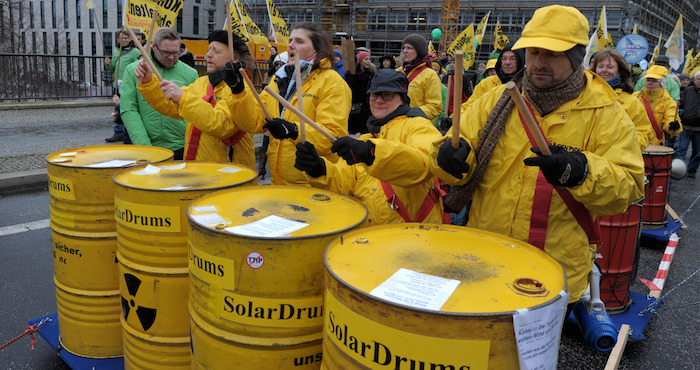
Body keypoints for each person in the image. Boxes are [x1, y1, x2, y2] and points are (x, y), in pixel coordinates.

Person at [432, 5, 644, 305]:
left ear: (575, 57)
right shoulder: (494, 99)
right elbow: (452, 150)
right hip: (488, 257)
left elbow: (629, 186)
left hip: (555, 269)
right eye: (533, 52)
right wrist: (450, 159)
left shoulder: (607, 112)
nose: (538, 63)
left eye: (552, 54)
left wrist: (582, 171)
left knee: (538, 350)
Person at [295, 69, 444, 225]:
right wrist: (319, 169)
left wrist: (371, 153)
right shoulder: (368, 137)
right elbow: (343, 183)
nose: (378, 100)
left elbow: (423, 164)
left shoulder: (418, 125)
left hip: (412, 237)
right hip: (369, 239)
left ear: (403, 99)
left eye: (387, 94)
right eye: (374, 95)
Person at [227, 21, 351, 186]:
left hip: (314, 185)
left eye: (299, 41)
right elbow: (253, 122)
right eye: (291, 40)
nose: (291, 45)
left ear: (317, 49)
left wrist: (293, 131)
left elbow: (332, 136)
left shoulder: (332, 82)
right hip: (279, 183)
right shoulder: (279, 80)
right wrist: (238, 91)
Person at [134, 30, 256, 167]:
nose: (208, 55)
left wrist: (183, 98)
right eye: (209, 49)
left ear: (234, 59)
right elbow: (170, 105)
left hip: (228, 173)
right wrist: (149, 82)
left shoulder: (241, 90)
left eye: (216, 51)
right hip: (198, 169)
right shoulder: (202, 83)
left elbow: (222, 125)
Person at [121, 28, 198, 160]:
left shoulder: (191, 73)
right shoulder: (133, 70)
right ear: (154, 47)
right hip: (147, 147)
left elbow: (195, 109)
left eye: (176, 52)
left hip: (181, 146)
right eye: (166, 53)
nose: (172, 57)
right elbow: (129, 109)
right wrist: (144, 146)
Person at [590, 48, 654, 151]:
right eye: (600, 66)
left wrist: (621, 148)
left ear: (619, 71)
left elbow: (643, 134)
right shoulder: (584, 95)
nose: (604, 70)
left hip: (615, 160)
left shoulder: (631, 102)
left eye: (610, 67)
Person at [465, 44, 525, 111]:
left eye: (512, 58)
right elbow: (470, 107)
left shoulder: (527, 85)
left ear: (520, 61)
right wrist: (455, 118)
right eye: (504, 58)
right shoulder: (486, 84)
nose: (507, 62)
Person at [105, 29, 140, 142]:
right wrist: (108, 65)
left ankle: (126, 131)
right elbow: (112, 69)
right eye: (121, 38)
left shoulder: (135, 51)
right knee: (117, 106)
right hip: (117, 83)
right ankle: (118, 132)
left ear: (130, 39)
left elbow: (138, 66)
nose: (123, 40)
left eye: (126, 38)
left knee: (126, 107)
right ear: (118, 39)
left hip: (129, 84)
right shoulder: (116, 51)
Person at [397, 34, 443, 121]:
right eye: (404, 48)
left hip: (418, 127)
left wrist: (411, 113)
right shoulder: (398, 72)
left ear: (419, 51)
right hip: (396, 125)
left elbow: (435, 107)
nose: (404, 51)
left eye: (409, 48)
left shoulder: (430, 75)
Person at [633, 65, 682, 146]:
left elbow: (671, 116)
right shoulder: (635, 97)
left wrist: (673, 125)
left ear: (662, 83)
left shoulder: (668, 101)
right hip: (634, 142)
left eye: (654, 81)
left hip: (654, 144)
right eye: (648, 80)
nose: (650, 83)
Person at [345, 51, 375, 134]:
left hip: (366, 106)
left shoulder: (371, 74)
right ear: (360, 61)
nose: (368, 61)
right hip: (354, 104)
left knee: (365, 130)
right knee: (352, 129)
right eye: (366, 59)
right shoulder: (351, 74)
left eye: (369, 59)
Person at [677, 71, 700, 177]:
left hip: (699, 129)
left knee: (697, 151)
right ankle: (678, 170)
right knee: (682, 149)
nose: (699, 81)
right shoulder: (687, 91)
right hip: (685, 126)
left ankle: (692, 170)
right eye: (698, 79)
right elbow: (681, 105)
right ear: (694, 80)